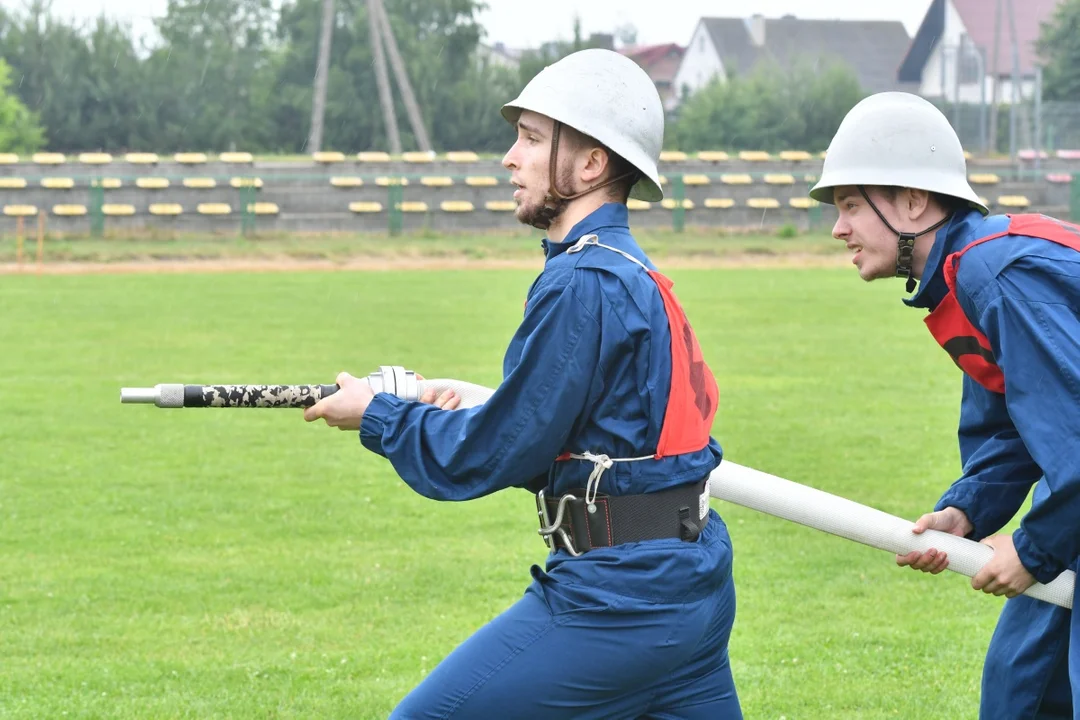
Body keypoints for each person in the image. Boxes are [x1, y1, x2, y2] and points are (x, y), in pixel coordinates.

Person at [303, 48, 743, 719]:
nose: (510, 158)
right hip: (689, 584)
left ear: (591, 163)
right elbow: (590, 437)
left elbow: (500, 449)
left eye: (532, 139)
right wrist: (452, 408)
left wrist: (378, 414)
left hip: (620, 603)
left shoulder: (583, 281)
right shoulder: (629, 269)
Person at [809, 91, 1080, 719]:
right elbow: (1018, 428)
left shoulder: (993, 273)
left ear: (912, 202)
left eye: (851, 204)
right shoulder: (964, 279)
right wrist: (965, 510)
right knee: (1020, 684)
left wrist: (1035, 549)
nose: (838, 227)